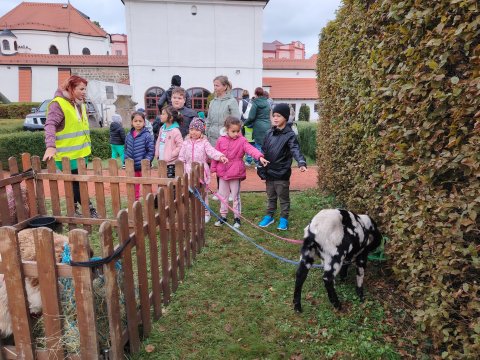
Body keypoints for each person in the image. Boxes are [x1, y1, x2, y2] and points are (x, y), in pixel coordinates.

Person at [42, 75, 98, 218]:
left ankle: (73, 209)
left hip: (81, 153)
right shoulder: (58, 104)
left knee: (75, 183)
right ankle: (90, 210)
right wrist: (50, 146)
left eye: (85, 89)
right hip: (68, 155)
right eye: (81, 89)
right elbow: (50, 125)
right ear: (70, 88)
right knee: (77, 184)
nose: (84, 92)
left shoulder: (79, 102)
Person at [211, 116, 269, 229]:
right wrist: (213, 169)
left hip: (235, 172)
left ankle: (237, 218)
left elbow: (250, 149)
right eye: (233, 131)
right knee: (223, 196)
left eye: (238, 131)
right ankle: (223, 216)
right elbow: (215, 155)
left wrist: (260, 157)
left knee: (235, 196)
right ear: (226, 129)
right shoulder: (220, 140)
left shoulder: (242, 141)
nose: (236, 133)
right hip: (222, 173)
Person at [257, 103, 307, 231]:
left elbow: (295, 149)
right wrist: (260, 162)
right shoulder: (269, 133)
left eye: (278, 115)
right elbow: (264, 150)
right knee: (271, 196)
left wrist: (301, 162)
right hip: (269, 172)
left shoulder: (290, 135)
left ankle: (284, 218)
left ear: (285, 117)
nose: (275, 118)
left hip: (282, 173)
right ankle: (269, 216)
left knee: (283, 198)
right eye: (274, 115)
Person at [178, 117, 228, 223]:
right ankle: (195, 211)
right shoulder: (185, 142)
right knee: (190, 194)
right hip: (188, 172)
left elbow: (212, 151)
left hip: (201, 173)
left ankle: (206, 213)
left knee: (203, 193)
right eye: (192, 129)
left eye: (197, 130)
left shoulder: (204, 143)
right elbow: (181, 157)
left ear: (201, 131)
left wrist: (220, 156)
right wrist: (182, 168)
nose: (194, 132)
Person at [124, 111, 155, 200]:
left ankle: (150, 200)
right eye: (135, 121)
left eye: (140, 121)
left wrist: (146, 162)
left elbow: (151, 151)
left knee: (146, 184)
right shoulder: (128, 135)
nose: (138, 123)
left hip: (143, 166)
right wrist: (126, 158)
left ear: (144, 123)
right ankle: (135, 200)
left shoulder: (147, 136)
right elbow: (126, 148)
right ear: (132, 122)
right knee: (134, 184)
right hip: (132, 166)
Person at [205, 75, 241, 147]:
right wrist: (206, 134)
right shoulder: (212, 102)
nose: (215, 88)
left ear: (225, 87)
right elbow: (208, 120)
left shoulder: (232, 101)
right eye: (214, 85)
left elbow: (236, 121)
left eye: (217, 86)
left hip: (226, 138)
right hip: (212, 139)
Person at [243, 87, 271, 163]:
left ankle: (259, 163)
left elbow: (251, 117)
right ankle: (266, 162)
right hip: (268, 126)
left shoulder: (255, 103)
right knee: (265, 146)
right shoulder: (267, 102)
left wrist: (244, 124)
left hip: (258, 127)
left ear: (255, 94)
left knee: (258, 146)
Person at [154, 105, 183, 178]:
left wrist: (171, 155)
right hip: (161, 160)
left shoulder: (175, 131)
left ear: (171, 118)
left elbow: (180, 146)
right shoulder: (162, 128)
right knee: (161, 180)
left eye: (163, 114)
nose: (161, 115)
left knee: (170, 183)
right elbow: (158, 141)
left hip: (171, 163)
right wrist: (157, 153)